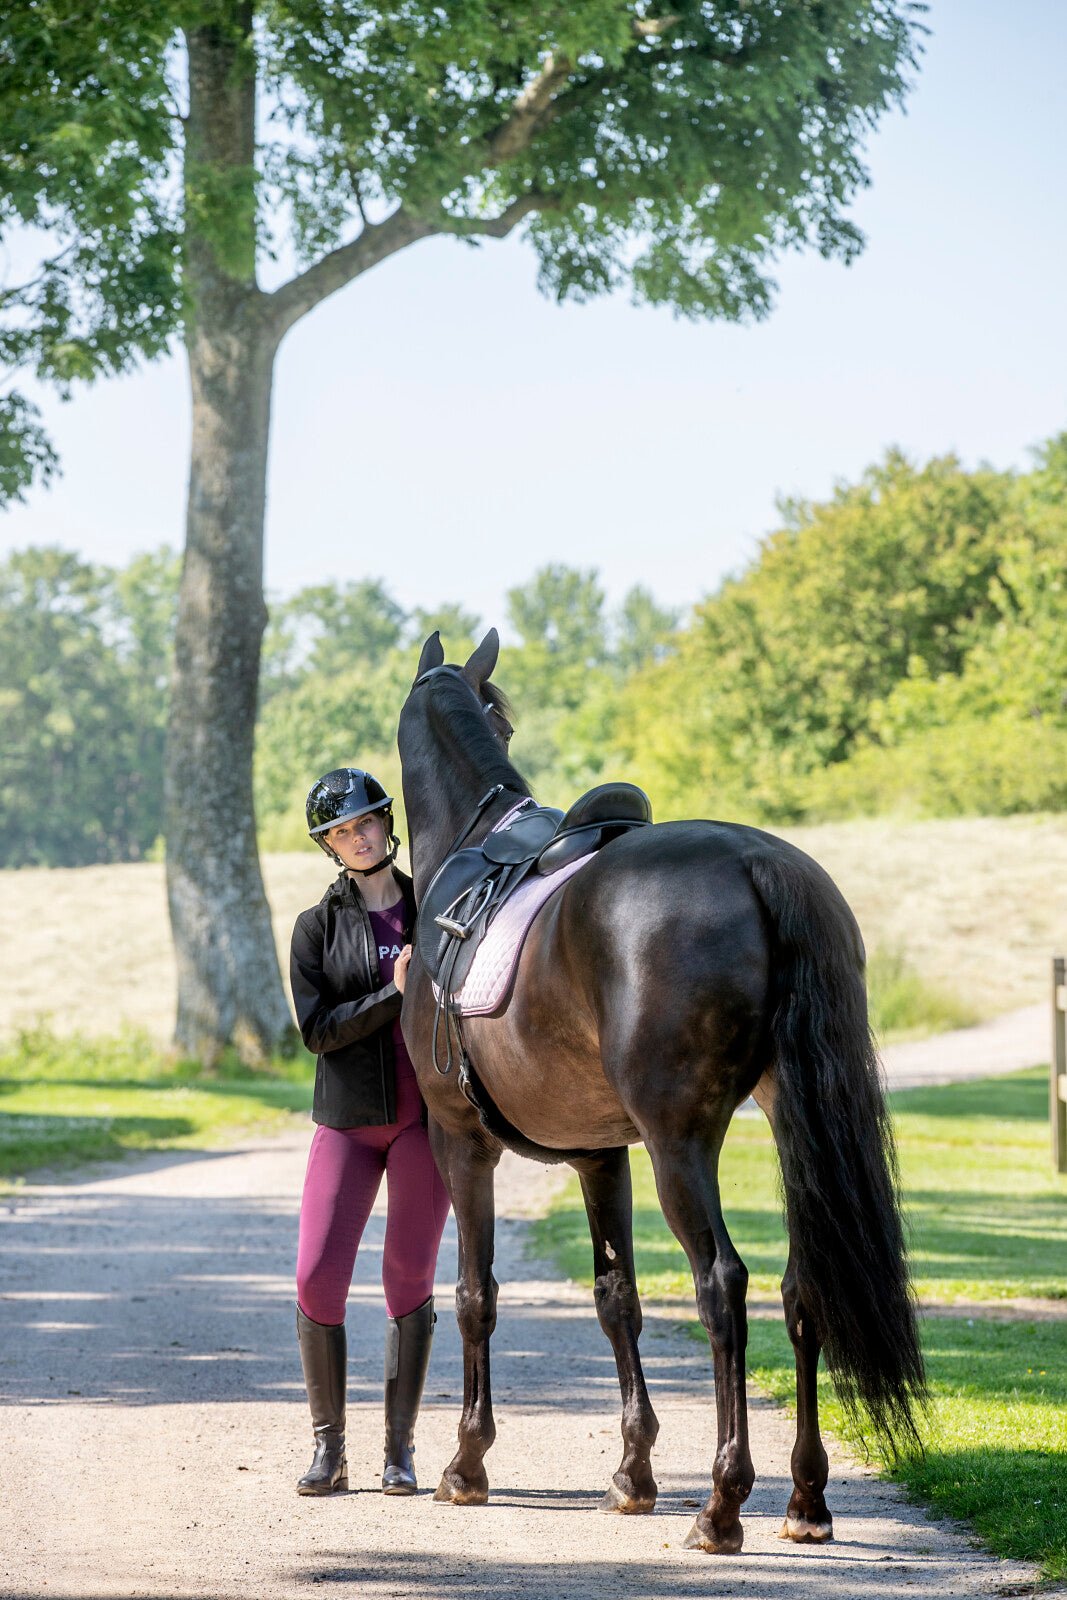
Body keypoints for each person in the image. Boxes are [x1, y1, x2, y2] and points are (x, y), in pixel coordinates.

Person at [289, 767, 450, 1497]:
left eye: (367, 822)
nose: (358, 838)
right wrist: (394, 993)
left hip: (426, 1122)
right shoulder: (315, 928)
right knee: (317, 1279)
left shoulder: (438, 907)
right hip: (348, 1125)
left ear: (388, 822)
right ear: (329, 845)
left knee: (406, 1278)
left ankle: (399, 1451)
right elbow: (318, 1032)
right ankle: (329, 1450)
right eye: (342, 831)